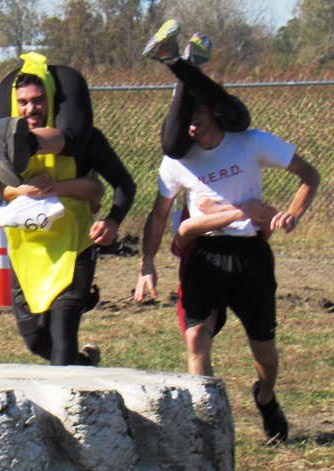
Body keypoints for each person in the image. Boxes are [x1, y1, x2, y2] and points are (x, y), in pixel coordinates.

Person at [135, 23, 320, 444]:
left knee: (265, 354)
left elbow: (309, 173)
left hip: (250, 255)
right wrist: (146, 264)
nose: (188, 128)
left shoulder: (250, 141)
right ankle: (208, 426)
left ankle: (266, 397)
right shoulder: (177, 161)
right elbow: (159, 216)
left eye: (194, 117)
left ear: (213, 112)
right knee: (197, 338)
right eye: (183, 121)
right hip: (201, 256)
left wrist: (291, 212)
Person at [0, 53, 136, 366]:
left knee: (62, 336)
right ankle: (84, 366)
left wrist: (112, 221)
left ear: (52, 100)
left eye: (39, 100)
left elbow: (125, 183)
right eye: (24, 102)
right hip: (26, 250)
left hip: (74, 249)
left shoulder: (85, 141)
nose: (31, 109)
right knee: (36, 341)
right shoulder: (6, 147)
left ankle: (67, 412)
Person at [142, 20, 250, 159]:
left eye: (197, 107)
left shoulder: (248, 138)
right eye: (187, 108)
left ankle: (178, 61)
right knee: (172, 148)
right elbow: (171, 147)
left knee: (238, 119)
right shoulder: (176, 155)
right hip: (181, 141)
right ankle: (184, 63)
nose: (192, 114)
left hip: (220, 107)